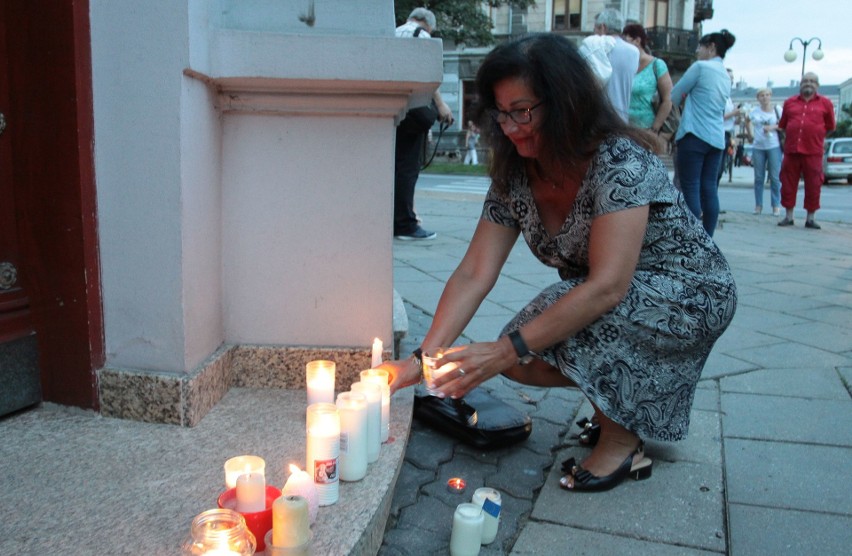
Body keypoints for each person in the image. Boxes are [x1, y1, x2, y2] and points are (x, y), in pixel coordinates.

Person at [379, 34, 737, 493]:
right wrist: (420, 359)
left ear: (565, 102)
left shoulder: (619, 162)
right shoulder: (515, 175)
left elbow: (607, 286)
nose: (510, 127)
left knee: (533, 334)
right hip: (616, 295)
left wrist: (507, 348)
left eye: (523, 111)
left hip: (693, 293)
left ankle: (622, 440)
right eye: (501, 112)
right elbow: (474, 271)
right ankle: (619, 400)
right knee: (521, 355)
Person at [394, 8, 454, 240]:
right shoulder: (422, 36)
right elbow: (428, 76)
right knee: (408, 168)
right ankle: (405, 225)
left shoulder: (394, 32)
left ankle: (396, 219)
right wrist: (441, 106)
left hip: (391, 110)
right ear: (428, 24)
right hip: (412, 110)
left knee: (395, 168)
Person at [669, 29, 736, 237]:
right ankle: (708, 237)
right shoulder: (725, 75)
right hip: (716, 138)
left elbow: (674, 95)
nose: (697, 51)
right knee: (709, 188)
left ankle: (692, 237)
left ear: (711, 47)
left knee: (690, 186)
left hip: (694, 134)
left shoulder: (700, 67)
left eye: (700, 46)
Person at [777, 72, 836, 229]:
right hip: (792, 150)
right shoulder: (789, 102)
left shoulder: (826, 103)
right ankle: (788, 216)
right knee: (788, 183)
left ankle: (810, 218)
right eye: (805, 81)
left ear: (817, 85)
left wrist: (818, 137)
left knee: (814, 184)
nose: (808, 84)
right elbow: (782, 125)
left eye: (812, 81)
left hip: (813, 151)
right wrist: (788, 137)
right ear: (800, 84)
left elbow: (830, 127)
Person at [621, 23, 673, 152]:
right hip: (623, 130)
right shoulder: (624, 64)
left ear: (637, 41)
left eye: (625, 40)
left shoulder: (657, 65)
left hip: (646, 131)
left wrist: (654, 129)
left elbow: (668, 99)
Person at [593, 9, 639, 122]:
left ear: (603, 27)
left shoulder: (595, 49)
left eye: (596, 28)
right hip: (622, 120)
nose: (594, 32)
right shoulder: (634, 52)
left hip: (598, 121)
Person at [746, 88, 783, 216]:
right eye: (762, 95)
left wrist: (771, 127)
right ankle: (758, 205)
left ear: (770, 96)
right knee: (759, 177)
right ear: (758, 98)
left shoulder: (777, 110)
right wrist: (750, 134)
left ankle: (776, 205)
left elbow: (784, 124)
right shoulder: (754, 111)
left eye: (767, 95)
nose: (765, 98)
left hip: (773, 145)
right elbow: (747, 120)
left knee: (775, 177)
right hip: (758, 146)